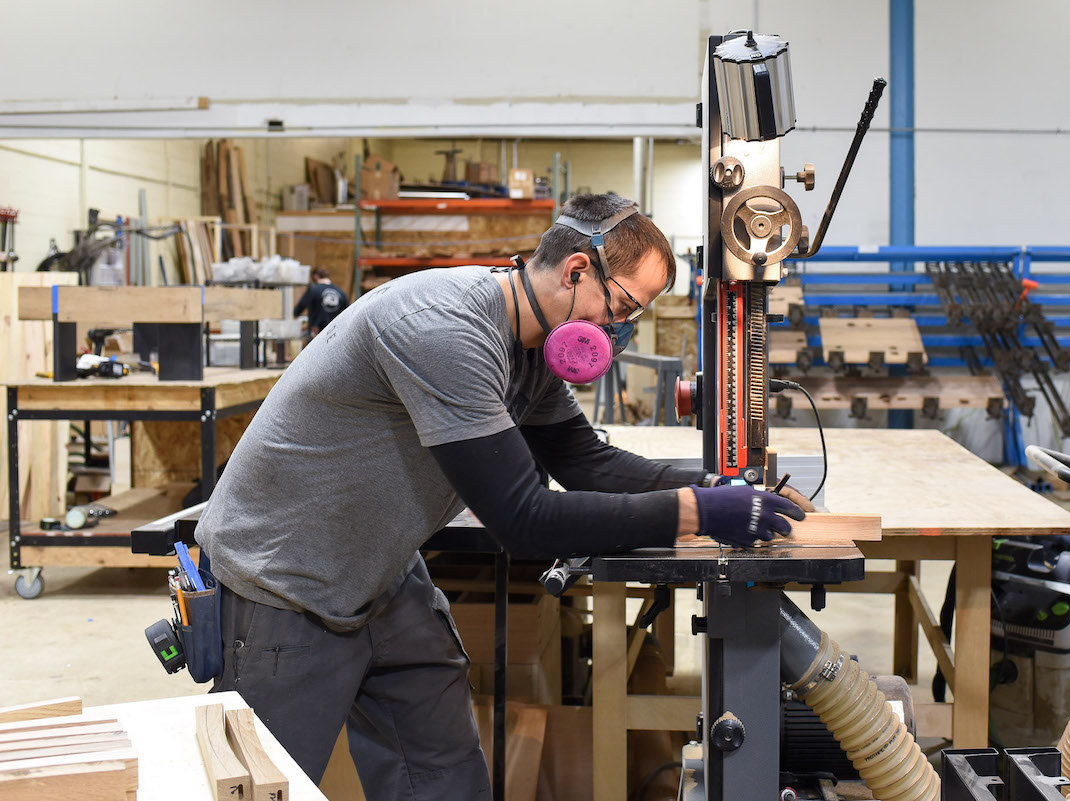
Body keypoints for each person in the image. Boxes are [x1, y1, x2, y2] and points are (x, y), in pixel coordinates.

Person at [195, 192, 812, 800]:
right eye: (622, 307)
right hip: (285, 579)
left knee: (445, 772)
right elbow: (523, 519)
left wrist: (718, 489)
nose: (619, 332)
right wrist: (698, 514)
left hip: (378, 571)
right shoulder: (445, 329)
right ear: (576, 270)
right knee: (262, 785)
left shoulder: (535, 349)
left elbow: (586, 462)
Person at [293, 267, 349, 340]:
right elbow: (347, 312)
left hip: (316, 335)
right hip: (334, 335)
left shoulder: (313, 290)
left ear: (315, 276)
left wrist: (295, 315)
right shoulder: (340, 292)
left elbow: (299, 308)